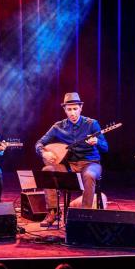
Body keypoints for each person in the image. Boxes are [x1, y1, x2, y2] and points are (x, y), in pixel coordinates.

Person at [35, 92, 108, 226]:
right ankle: (53, 211)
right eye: (69, 109)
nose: (73, 113)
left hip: (90, 163)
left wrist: (97, 141)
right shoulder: (58, 126)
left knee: (90, 175)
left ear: (81, 108)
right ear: (65, 110)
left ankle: (85, 215)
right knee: (47, 170)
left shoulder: (92, 124)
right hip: (68, 165)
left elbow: (105, 147)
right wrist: (43, 153)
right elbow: (39, 143)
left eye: (75, 109)